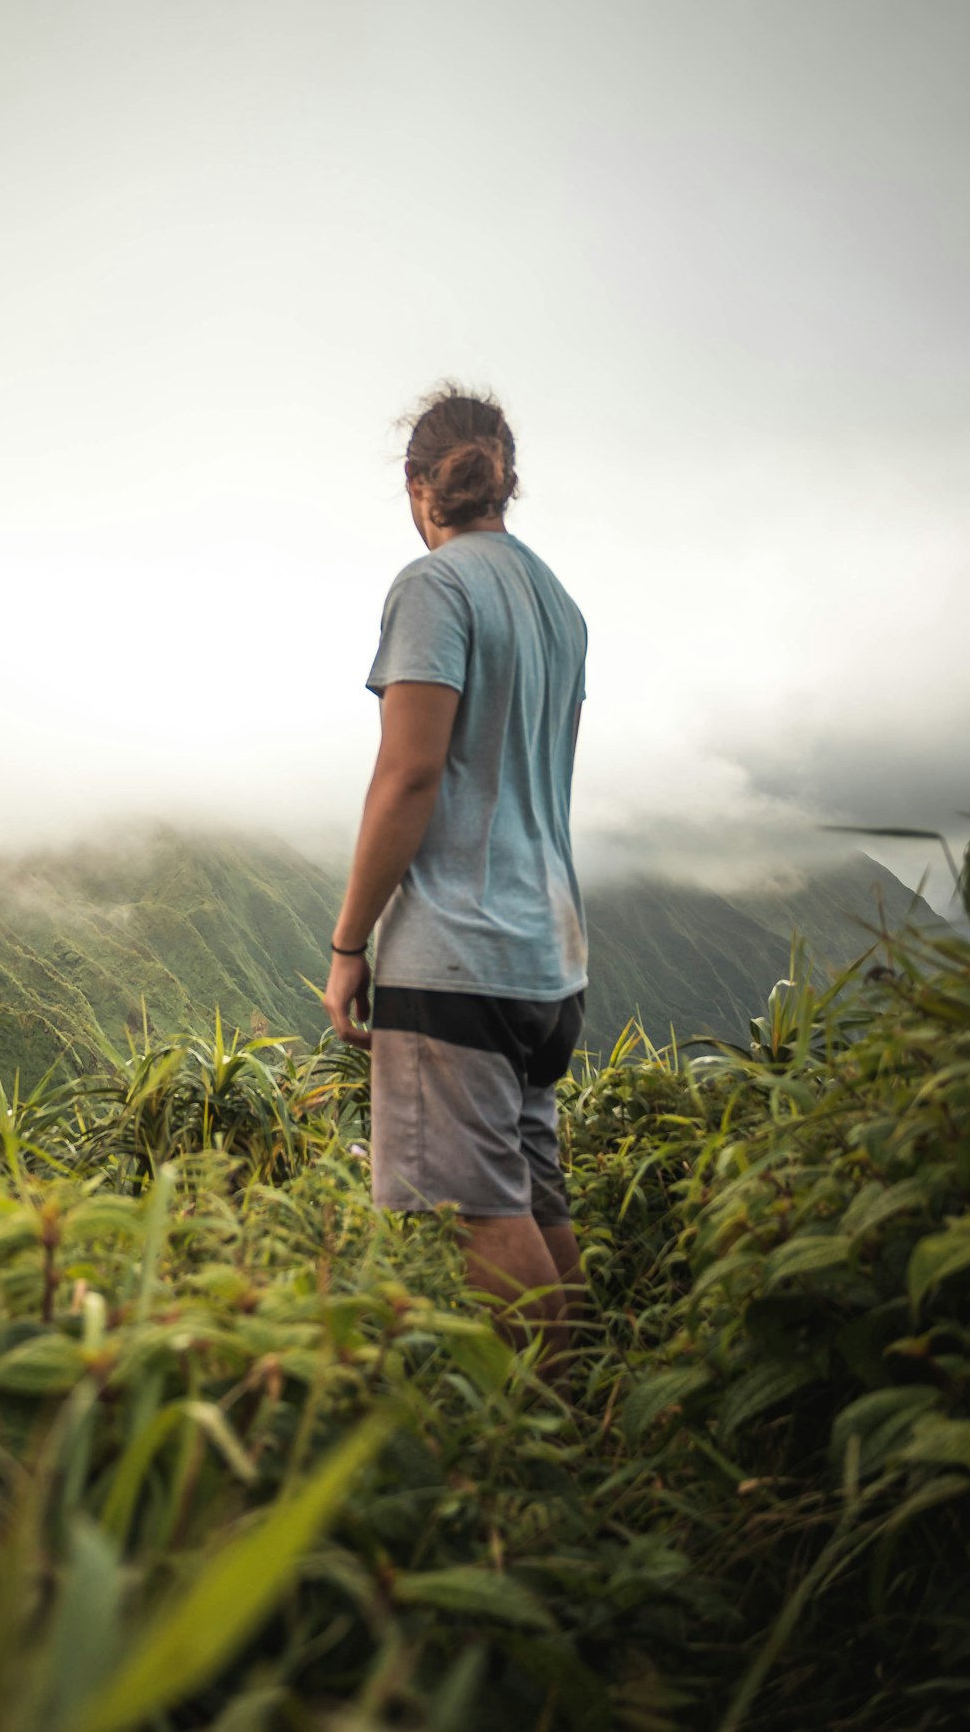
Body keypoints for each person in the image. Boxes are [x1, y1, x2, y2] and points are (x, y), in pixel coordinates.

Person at [321, 382, 589, 1391]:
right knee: (534, 1206)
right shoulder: (557, 604)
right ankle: (594, 1427)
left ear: (415, 484)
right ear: (505, 481)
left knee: (475, 1220)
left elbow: (411, 774)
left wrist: (350, 945)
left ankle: (539, 1458)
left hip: (457, 955)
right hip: (547, 960)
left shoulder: (432, 589)